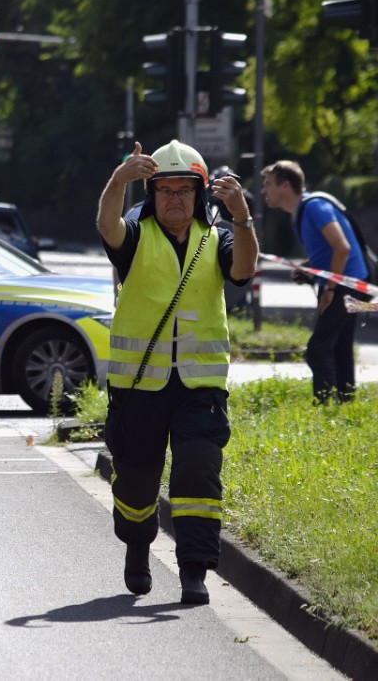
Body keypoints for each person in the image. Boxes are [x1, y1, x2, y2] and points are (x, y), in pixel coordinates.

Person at [95, 139, 259, 605]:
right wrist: (117, 181)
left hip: (199, 386)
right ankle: (137, 547)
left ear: (200, 194)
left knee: (198, 470)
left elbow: (244, 269)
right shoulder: (134, 233)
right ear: (151, 194)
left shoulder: (218, 237)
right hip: (137, 385)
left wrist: (242, 217)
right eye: (165, 190)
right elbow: (107, 225)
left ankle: (194, 570)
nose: (175, 199)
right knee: (137, 479)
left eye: (184, 190)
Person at [261, 160, 371, 403]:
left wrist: (330, 289)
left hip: (347, 285)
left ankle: (326, 404)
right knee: (340, 346)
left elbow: (341, 248)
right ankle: (345, 403)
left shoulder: (315, 208)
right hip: (346, 283)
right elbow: (327, 252)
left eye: (268, 184)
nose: (263, 190)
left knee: (319, 348)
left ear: (286, 186)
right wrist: (309, 270)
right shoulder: (301, 212)